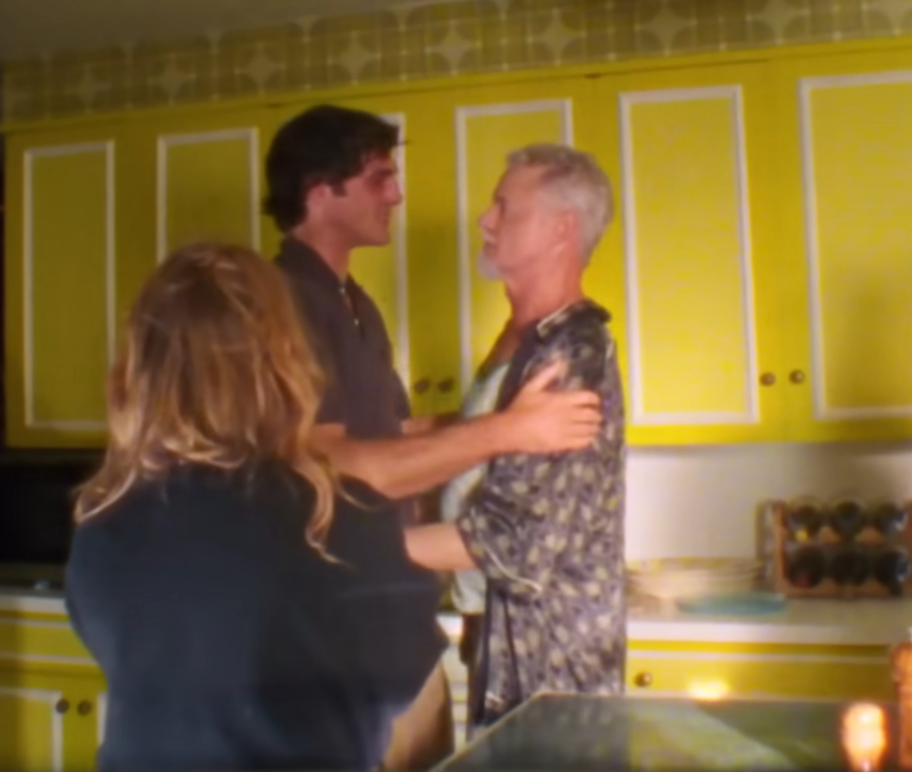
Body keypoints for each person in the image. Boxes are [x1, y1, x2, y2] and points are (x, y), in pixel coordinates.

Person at [264, 105, 605, 768]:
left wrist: (512, 356)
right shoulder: (288, 301)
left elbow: (398, 435)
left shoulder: (353, 304)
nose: (395, 194)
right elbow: (338, 463)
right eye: (379, 178)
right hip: (337, 636)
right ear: (319, 190)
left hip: (392, 622)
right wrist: (507, 428)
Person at [64, 243, 447, 772]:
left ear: (140, 372)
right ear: (285, 363)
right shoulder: (344, 518)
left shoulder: (105, 526)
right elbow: (404, 678)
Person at [407, 143, 627, 732]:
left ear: (561, 228)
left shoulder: (571, 354)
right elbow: (486, 454)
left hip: (550, 674)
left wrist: (348, 549)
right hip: (503, 646)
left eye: (505, 206)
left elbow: (515, 543)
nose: (486, 219)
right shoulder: (529, 342)